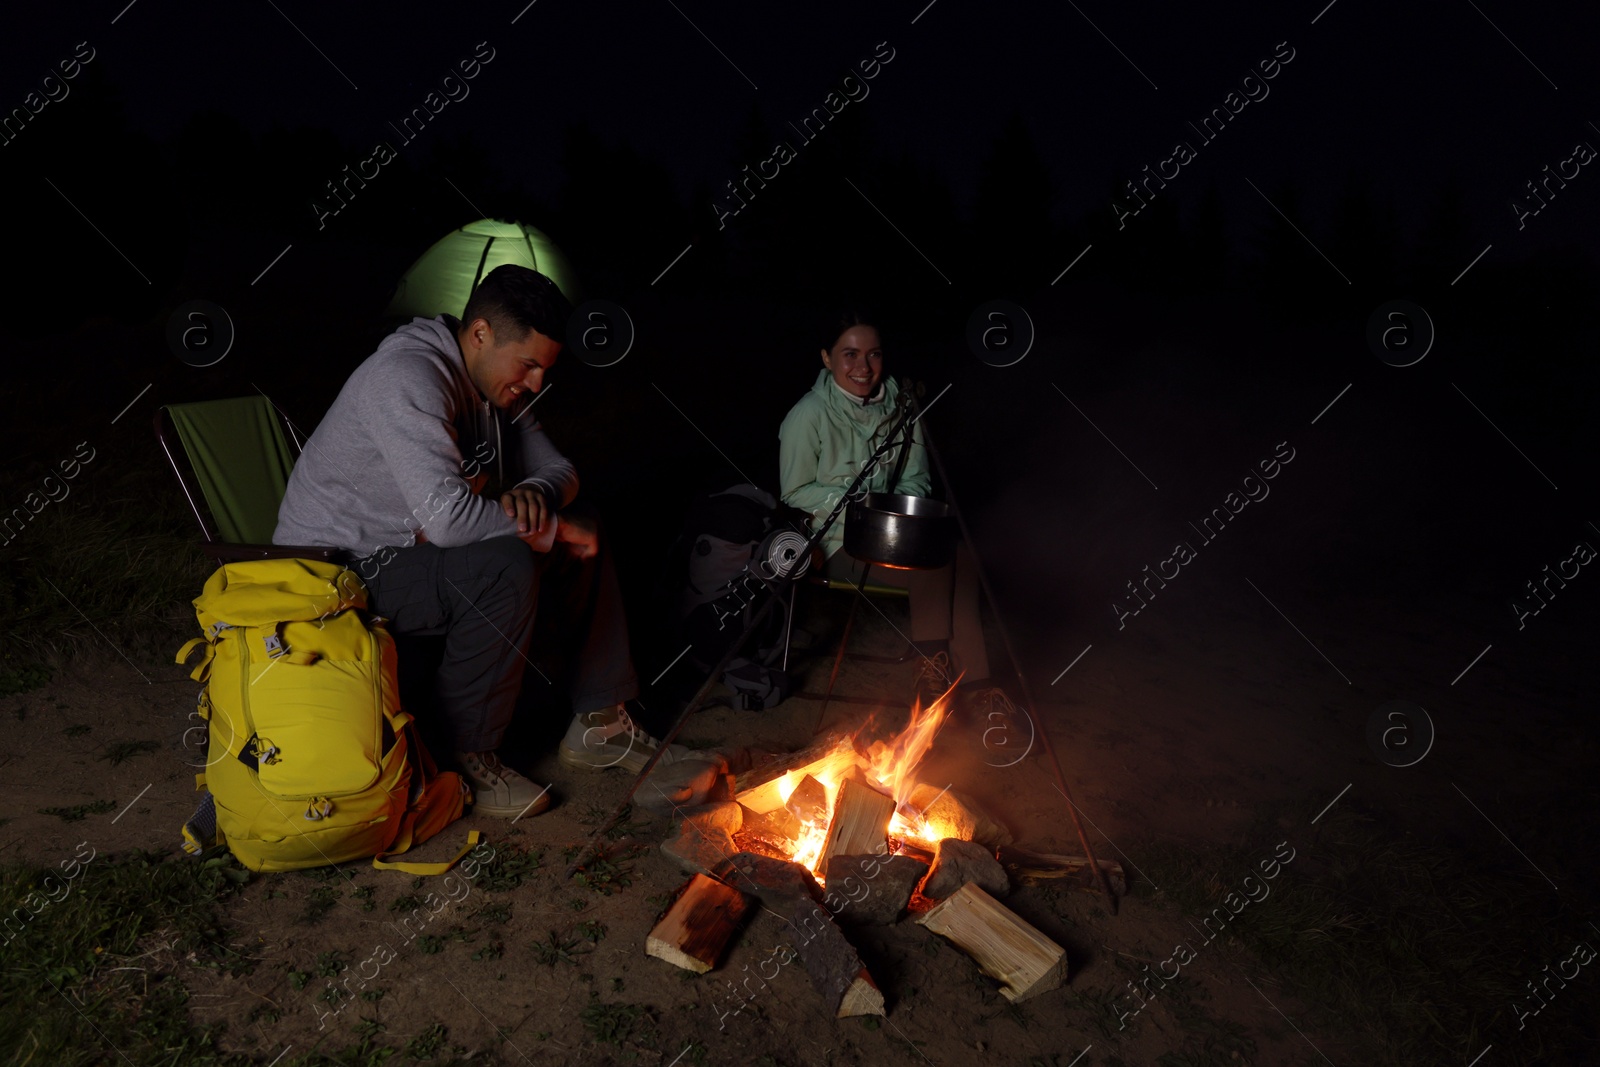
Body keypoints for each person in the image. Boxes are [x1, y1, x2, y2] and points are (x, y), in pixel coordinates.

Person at [273, 264, 680, 818]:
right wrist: (551, 530)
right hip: (335, 570)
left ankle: (601, 724)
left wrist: (537, 494)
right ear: (481, 333)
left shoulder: (490, 385)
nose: (536, 384)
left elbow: (562, 469)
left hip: (409, 549)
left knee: (582, 517)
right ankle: (466, 757)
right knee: (507, 562)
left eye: (544, 369)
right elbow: (446, 521)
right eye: (530, 365)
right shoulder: (408, 377)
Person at [777, 312, 991, 699]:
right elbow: (794, 491)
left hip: (891, 534)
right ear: (827, 358)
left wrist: (897, 513)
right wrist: (862, 510)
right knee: (933, 561)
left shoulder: (902, 406)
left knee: (963, 556)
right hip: (838, 541)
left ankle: (973, 685)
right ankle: (934, 668)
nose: (863, 367)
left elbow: (917, 479)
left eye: (873, 354)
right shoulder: (808, 415)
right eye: (850, 354)